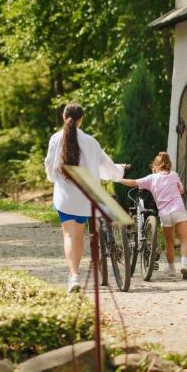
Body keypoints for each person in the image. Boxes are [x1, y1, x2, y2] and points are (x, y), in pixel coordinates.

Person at [45, 103, 126, 293]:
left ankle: (73, 277)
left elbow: (50, 166)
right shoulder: (91, 141)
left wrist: (53, 178)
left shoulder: (56, 139)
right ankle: (75, 275)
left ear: (64, 117)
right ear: (81, 120)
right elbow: (106, 166)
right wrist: (119, 172)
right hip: (85, 199)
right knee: (79, 236)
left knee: (69, 235)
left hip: (65, 197)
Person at [116, 151, 187, 278]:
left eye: (153, 168)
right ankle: (184, 265)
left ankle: (172, 268)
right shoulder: (174, 175)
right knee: (184, 239)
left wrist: (117, 179)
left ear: (156, 167)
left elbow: (133, 182)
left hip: (164, 214)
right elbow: (182, 190)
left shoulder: (152, 178)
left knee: (169, 242)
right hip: (178, 210)